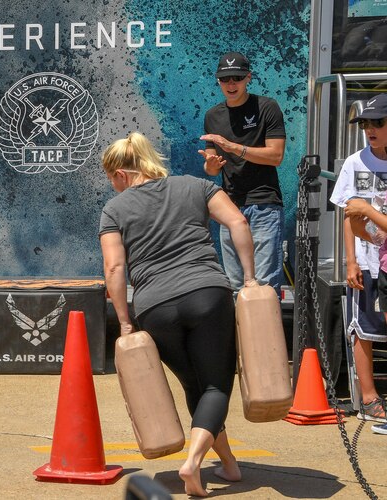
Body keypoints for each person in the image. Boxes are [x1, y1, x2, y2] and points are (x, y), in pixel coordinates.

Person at [100, 132, 256, 496]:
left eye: (111, 178)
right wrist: (249, 279)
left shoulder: (114, 210)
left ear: (122, 174)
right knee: (216, 385)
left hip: (155, 307)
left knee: (195, 385)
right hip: (206, 293)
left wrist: (125, 321)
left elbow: (114, 270)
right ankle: (193, 462)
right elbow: (238, 224)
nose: (112, 186)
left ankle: (228, 464)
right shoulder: (195, 186)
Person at [198, 51, 286, 295]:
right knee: (237, 286)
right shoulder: (212, 116)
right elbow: (210, 167)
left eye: (237, 77)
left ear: (249, 77)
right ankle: (241, 334)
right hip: (231, 207)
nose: (231, 84)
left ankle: (266, 334)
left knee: (265, 286)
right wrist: (212, 164)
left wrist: (233, 147)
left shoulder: (267, 107)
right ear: (218, 81)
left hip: (264, 203)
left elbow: (276, 156)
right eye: (225, 79)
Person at [330, 93, 387, 428]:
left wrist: (369, 211)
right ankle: (369, 399)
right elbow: (348, 218)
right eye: (366, 124)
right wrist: (350, 262)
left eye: (378, 123)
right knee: (362, 328)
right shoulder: (355, 162)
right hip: (367, 261)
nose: (370, 130)